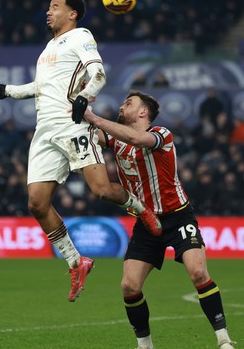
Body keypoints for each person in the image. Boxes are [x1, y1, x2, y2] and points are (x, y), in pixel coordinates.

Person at [0, 0, 162, 302]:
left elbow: (98, 73)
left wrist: (85, 96)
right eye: (48, 6)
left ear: (72, 14)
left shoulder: (81, 36)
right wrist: (8, 91)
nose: (48, 11)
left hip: (71, 124)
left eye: (55, 7)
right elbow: (41, 87)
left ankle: (142, 209)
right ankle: (75, 260)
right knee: (36, 203)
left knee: (101, 190)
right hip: (45, 130)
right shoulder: (48, 48)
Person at [84, 91, 236, 349]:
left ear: (143, 112)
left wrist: (92, 117)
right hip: (145, 220)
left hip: (178, 216)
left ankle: (223, 340)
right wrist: (71, 111)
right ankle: (145, 345)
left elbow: (135, 138)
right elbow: (89, 137)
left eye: (128, 103)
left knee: (198, 273)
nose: (122, 106)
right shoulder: (114, 138)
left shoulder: (161, 134)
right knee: (129, 286)